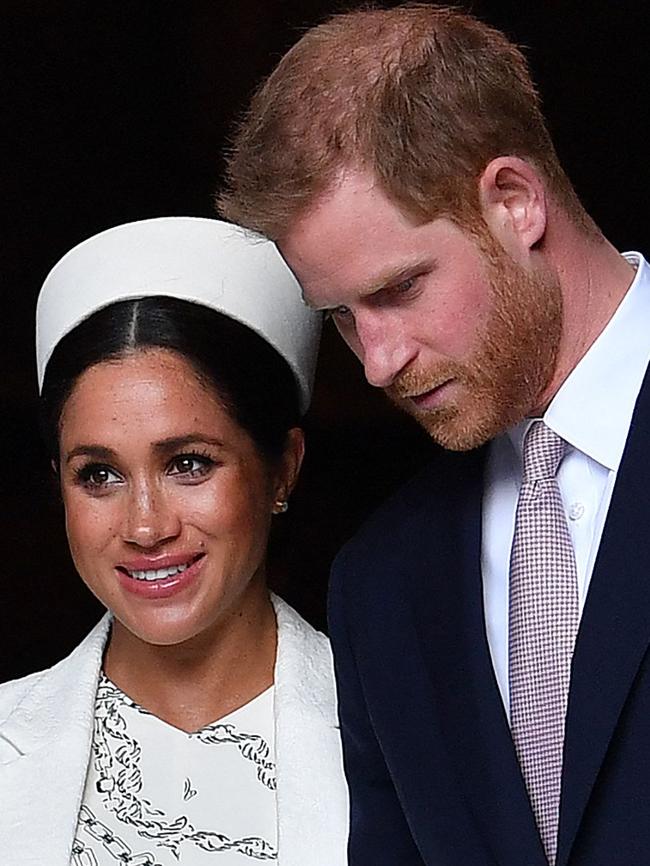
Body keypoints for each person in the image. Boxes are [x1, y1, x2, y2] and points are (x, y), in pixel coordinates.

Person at [217, 5, 650, 866]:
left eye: (400, 288)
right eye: (340, 315)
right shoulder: (380, 587)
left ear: (515, 201)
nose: (376, 363)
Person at [0, 217, 347, 866]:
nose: (145, 526)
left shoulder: (401, 737)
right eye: (98, 474)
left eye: (188, 463)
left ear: (282, 467)